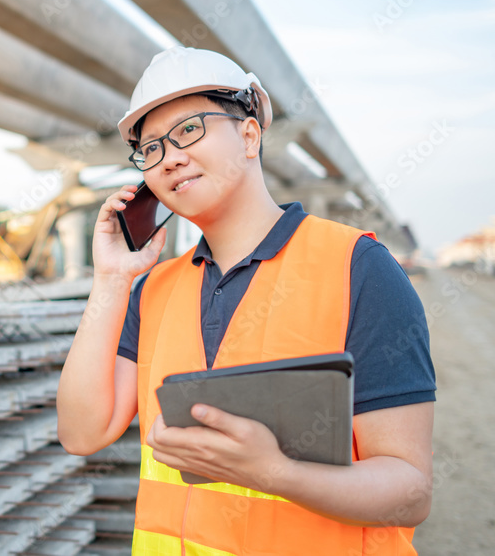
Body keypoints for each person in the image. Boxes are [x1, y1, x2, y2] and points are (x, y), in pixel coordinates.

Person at [57, 47, 436, 555]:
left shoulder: (357, 266)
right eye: (150, 149)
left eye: (189, 129)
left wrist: (277, 473)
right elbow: (82, 432)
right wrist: (110, 278)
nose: (169, 157)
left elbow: (409, 492)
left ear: (250, 134)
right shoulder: (153, 290)